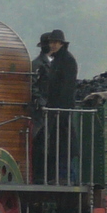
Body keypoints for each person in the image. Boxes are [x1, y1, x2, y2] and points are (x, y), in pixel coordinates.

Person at [45, 29, 78, 183]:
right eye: (51, 42)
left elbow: (67, 88)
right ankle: (61, 176)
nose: (53, 45)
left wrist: (60, 110)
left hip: (62, 110)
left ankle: (68, 177)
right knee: (58, 144)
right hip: (56, 109)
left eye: (55, 42)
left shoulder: (68, 61)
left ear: (61, 44)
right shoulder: (57, 60)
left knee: (64, 144)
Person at [31, 32, 53, 183]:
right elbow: (31, 85)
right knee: (39, 142)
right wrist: (41, 100)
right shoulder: (37, 64)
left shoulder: (55, 63)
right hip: (40, 110)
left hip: (51, 108)